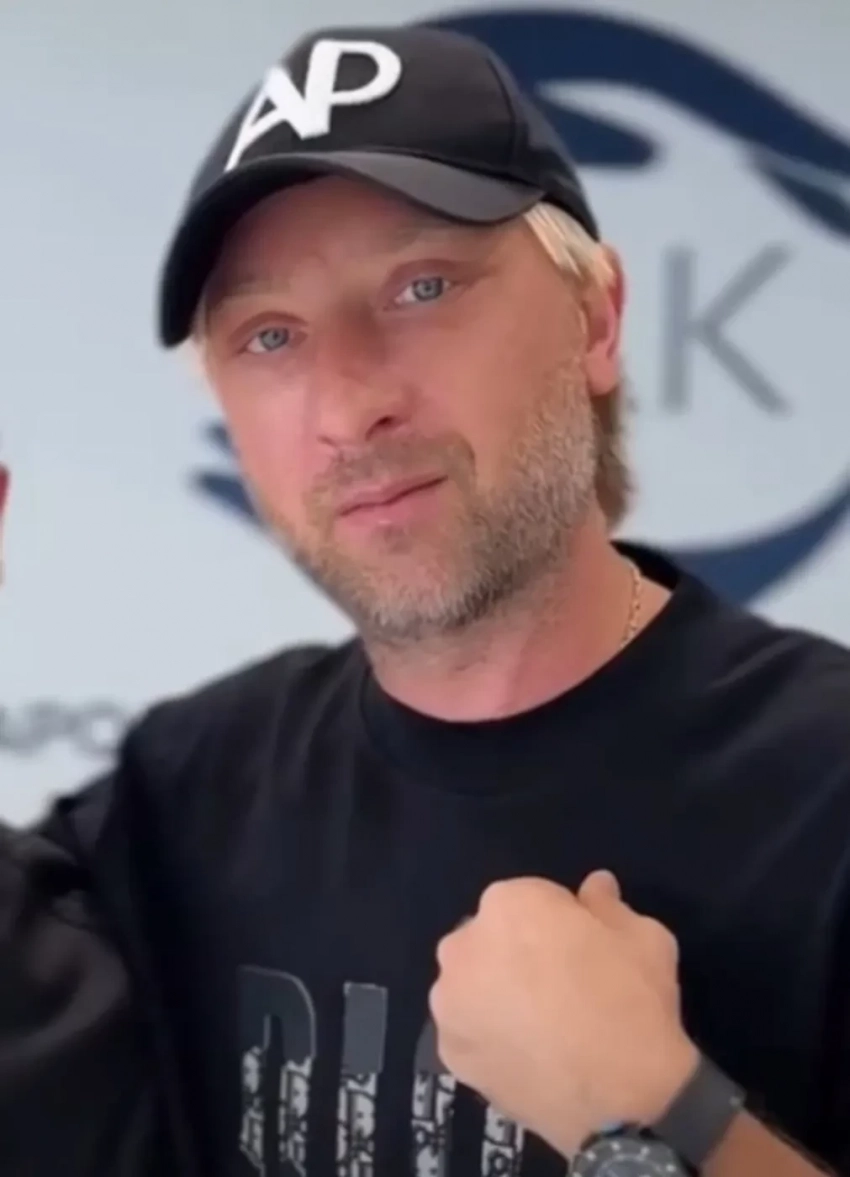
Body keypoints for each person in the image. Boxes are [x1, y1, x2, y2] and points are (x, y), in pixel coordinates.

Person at [1, 20, 849, 1177]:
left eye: (423, 285)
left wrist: (657, 1117)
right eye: (269, 335)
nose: (349, 403)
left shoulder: (824, 784)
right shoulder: (187, 793)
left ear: (595, 318)